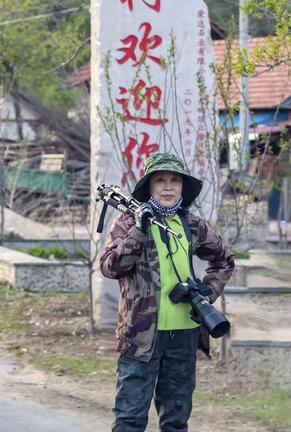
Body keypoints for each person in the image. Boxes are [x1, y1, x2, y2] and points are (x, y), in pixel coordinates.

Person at [100, 152, 235, 432]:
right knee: (130, 418)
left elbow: (224, 259)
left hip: (184, 334)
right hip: (140, 336)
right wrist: (139, 229)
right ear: (149, 186)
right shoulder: (127, 223)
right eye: (160, 180)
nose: (168, 187)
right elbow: (110, 268)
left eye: (175, 180)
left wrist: (207, 291)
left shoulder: (192, 224)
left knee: (176, 420)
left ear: (183, 187)